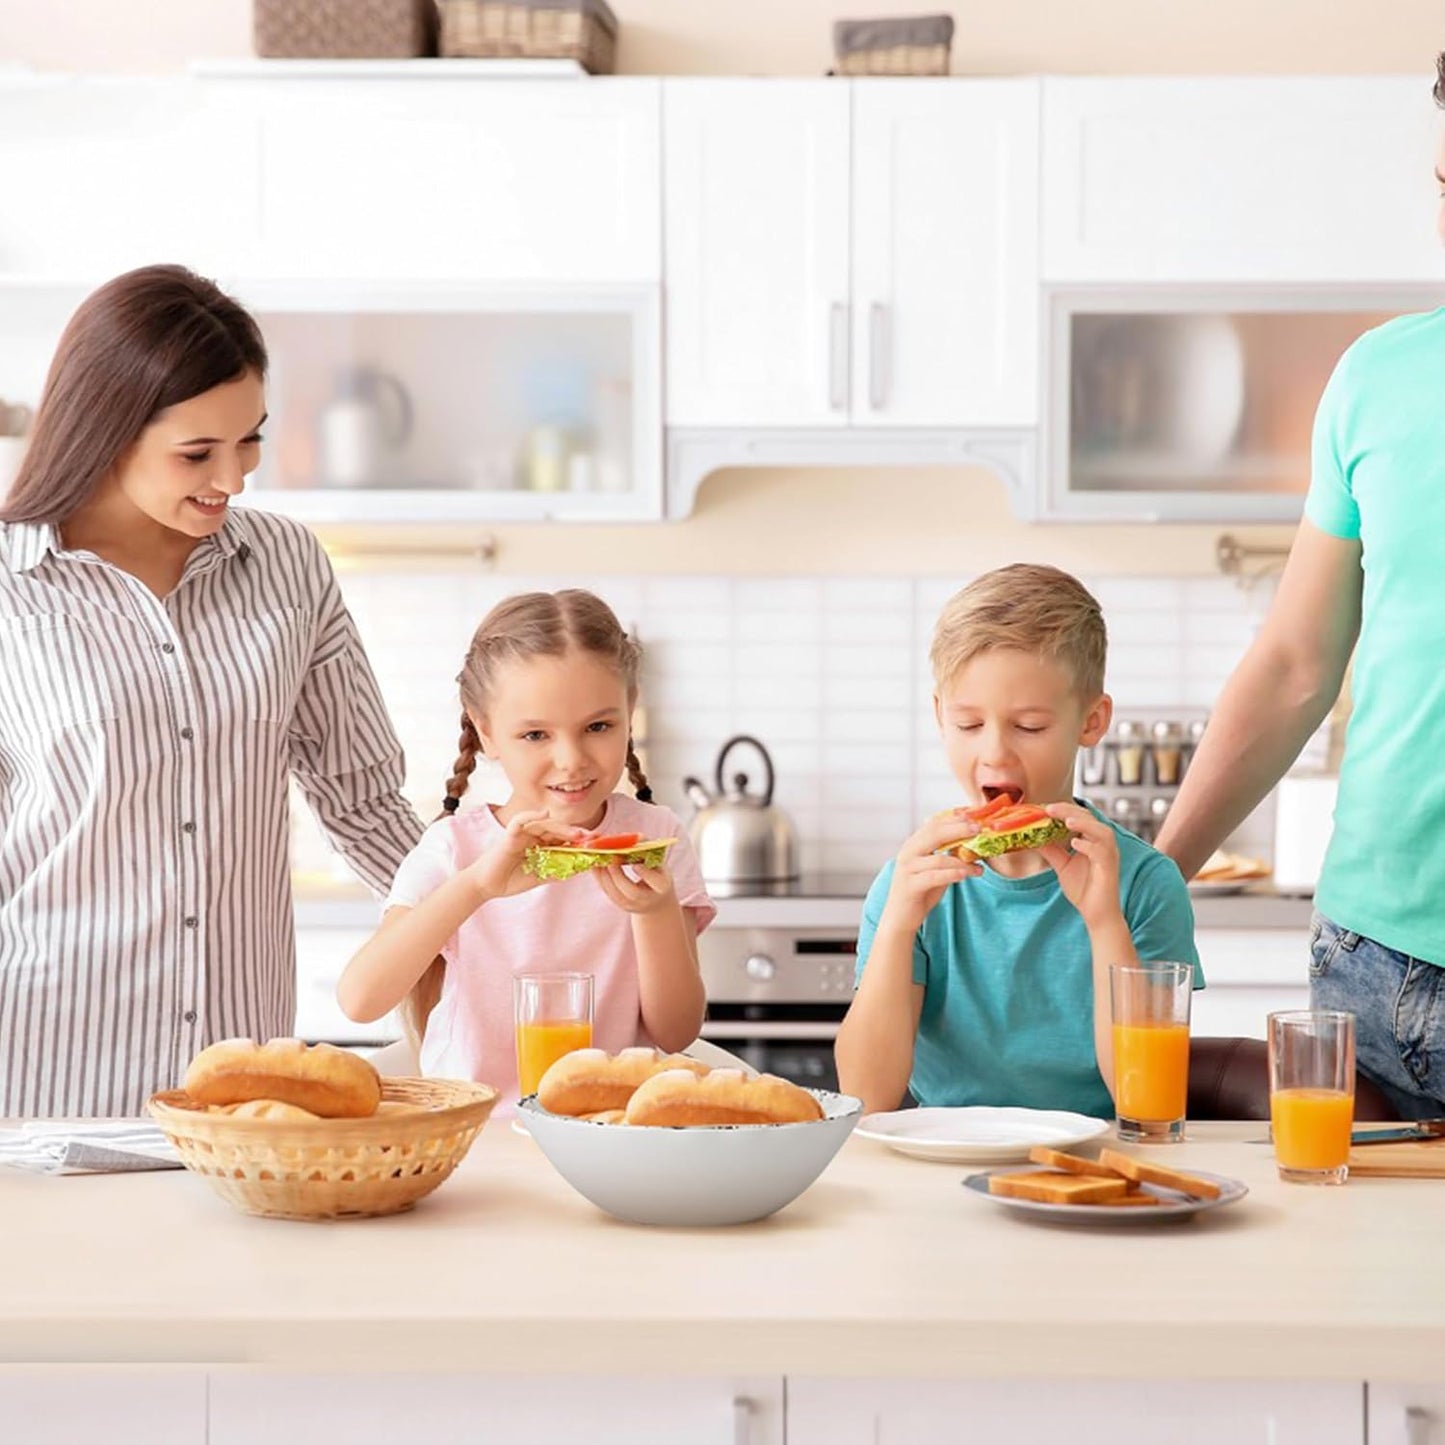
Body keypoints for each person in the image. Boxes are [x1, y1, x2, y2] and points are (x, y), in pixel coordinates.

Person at [0, 264, 424, 1117]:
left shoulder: (287, 566)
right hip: (44, 1071)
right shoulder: (11, 589)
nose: (233, 479)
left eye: (251, 440)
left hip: (241, 1082)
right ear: (106, 431)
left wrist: (482, 916)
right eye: (197, 452)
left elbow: (365, 800)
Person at [1155, 58, 1445, 1121]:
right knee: (1338, 1280)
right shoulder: (1375, 377)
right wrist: (1158, 870)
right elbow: (1292, 663)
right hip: (1369, 964)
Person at [835, 564, 1201, 1118]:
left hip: (1096, 1170)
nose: (995, 754)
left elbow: (1145, 1102)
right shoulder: (912, 883)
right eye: (968, 724)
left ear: (1092, 721)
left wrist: (1104, 922)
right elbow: (867, 1098)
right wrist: (898, 927)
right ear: (939, 715)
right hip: (944, 1168)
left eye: (1029, 726)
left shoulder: (1143, 885)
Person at [337, 589, 714, 1111]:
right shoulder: (455, 849)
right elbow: (360, 1000)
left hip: (612, 1136)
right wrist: (477, 887)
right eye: (536, 734)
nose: (571, 760)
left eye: (599, 727)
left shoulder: (656, 840)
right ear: (486, 731)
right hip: (475, 1138)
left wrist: (653, 912)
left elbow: (675, 1032)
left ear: (631, 711)